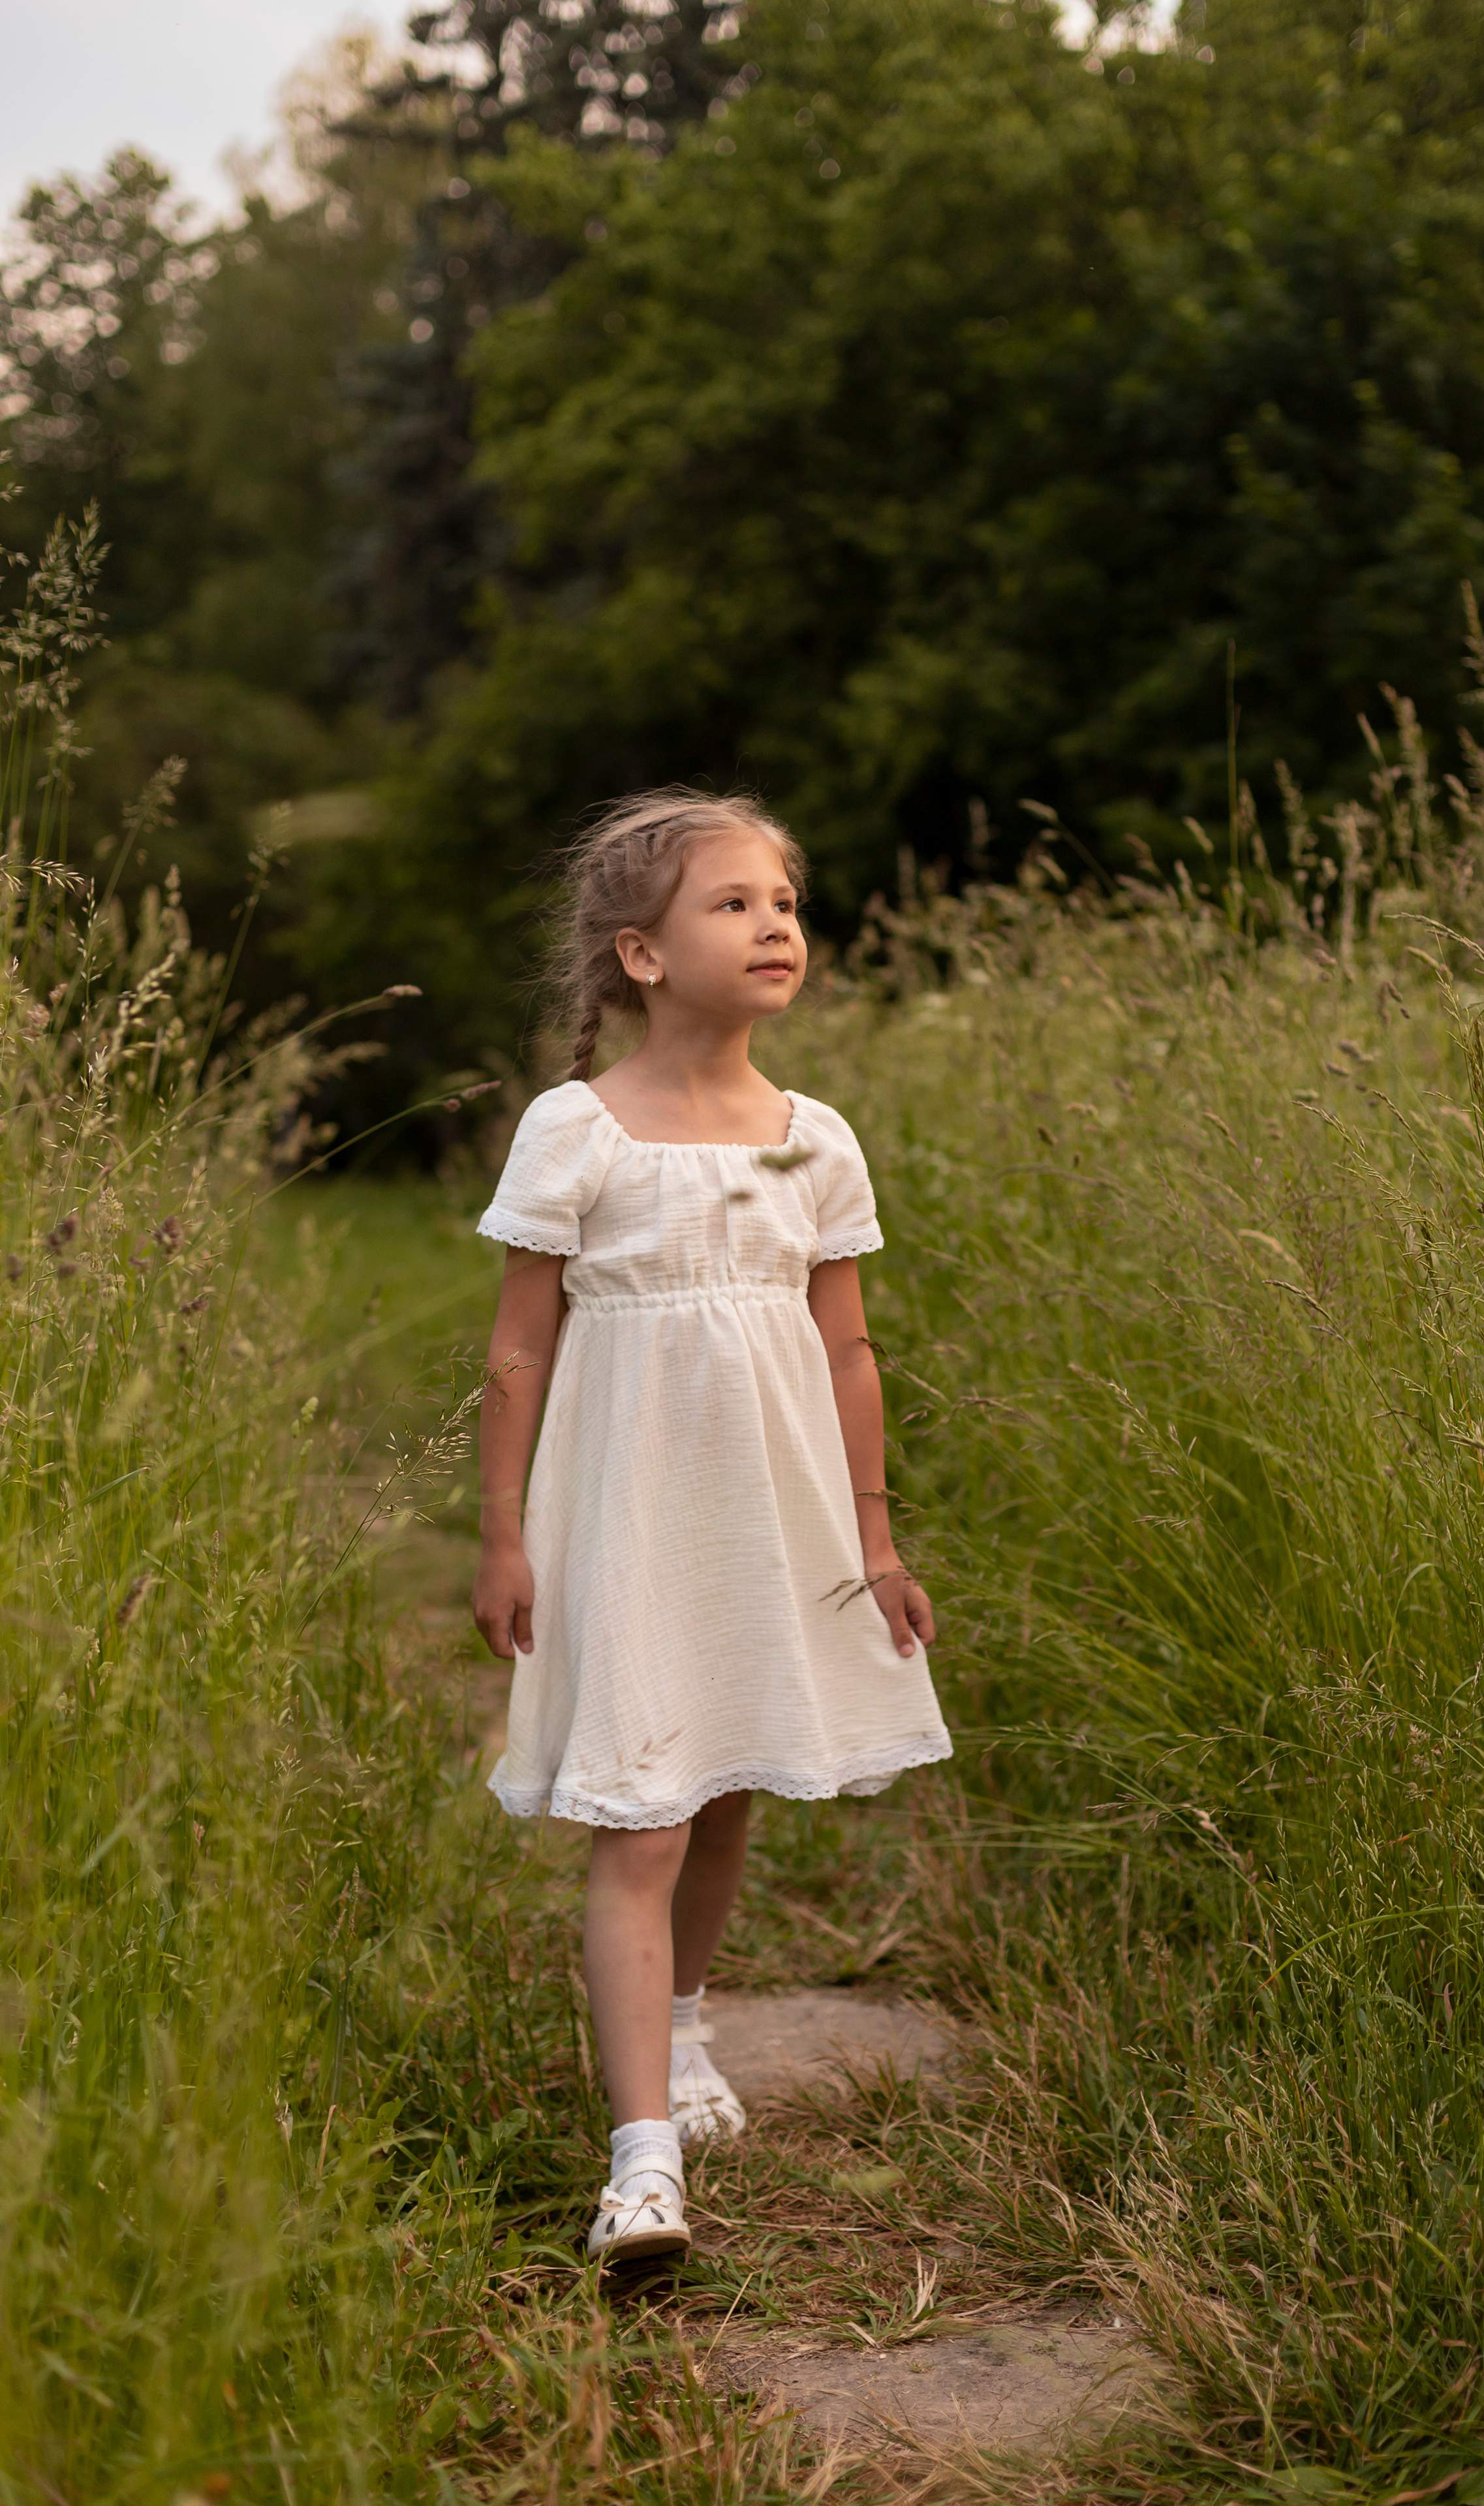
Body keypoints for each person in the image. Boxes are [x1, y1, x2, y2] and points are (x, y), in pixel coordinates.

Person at [470, 788, 951, 2266]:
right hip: (623, 1516)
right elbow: (515, 1350)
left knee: (727, 1777)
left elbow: (849, 1350)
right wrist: (500, 1535)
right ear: (640, 953)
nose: (773, 927)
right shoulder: (578, 1130)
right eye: (731, 905)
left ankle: (679, 2027)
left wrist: (873, 1542)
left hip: (768, 1513)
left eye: (784, 904)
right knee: (640, 1810)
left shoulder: (815, 1139)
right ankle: (640, 2165)